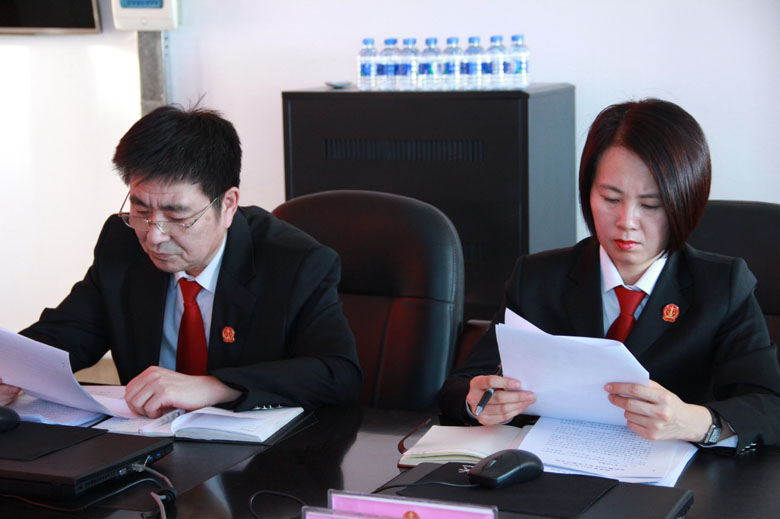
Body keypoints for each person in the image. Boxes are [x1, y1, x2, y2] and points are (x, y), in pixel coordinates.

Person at [438, 98, 780, 453]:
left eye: (650, 204)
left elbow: (770, 407)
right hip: (556, 469)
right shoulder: (537, 279)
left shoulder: (722, 287)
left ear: (686, 203)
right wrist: (478, 402)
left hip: (678, 478)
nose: (626, 222)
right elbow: (460, 387)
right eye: (611, 198)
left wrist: (692, 421)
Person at [0, 106, 362, 417]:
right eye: (141, 211)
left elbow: (338, 373)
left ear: (228, 205)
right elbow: (68, 334)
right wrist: (10, 369)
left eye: (176, 217)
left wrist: (215, 386)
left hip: (258, 462)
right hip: (148, 450)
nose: (154, 236)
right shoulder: (122, 242)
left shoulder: (296, 263)